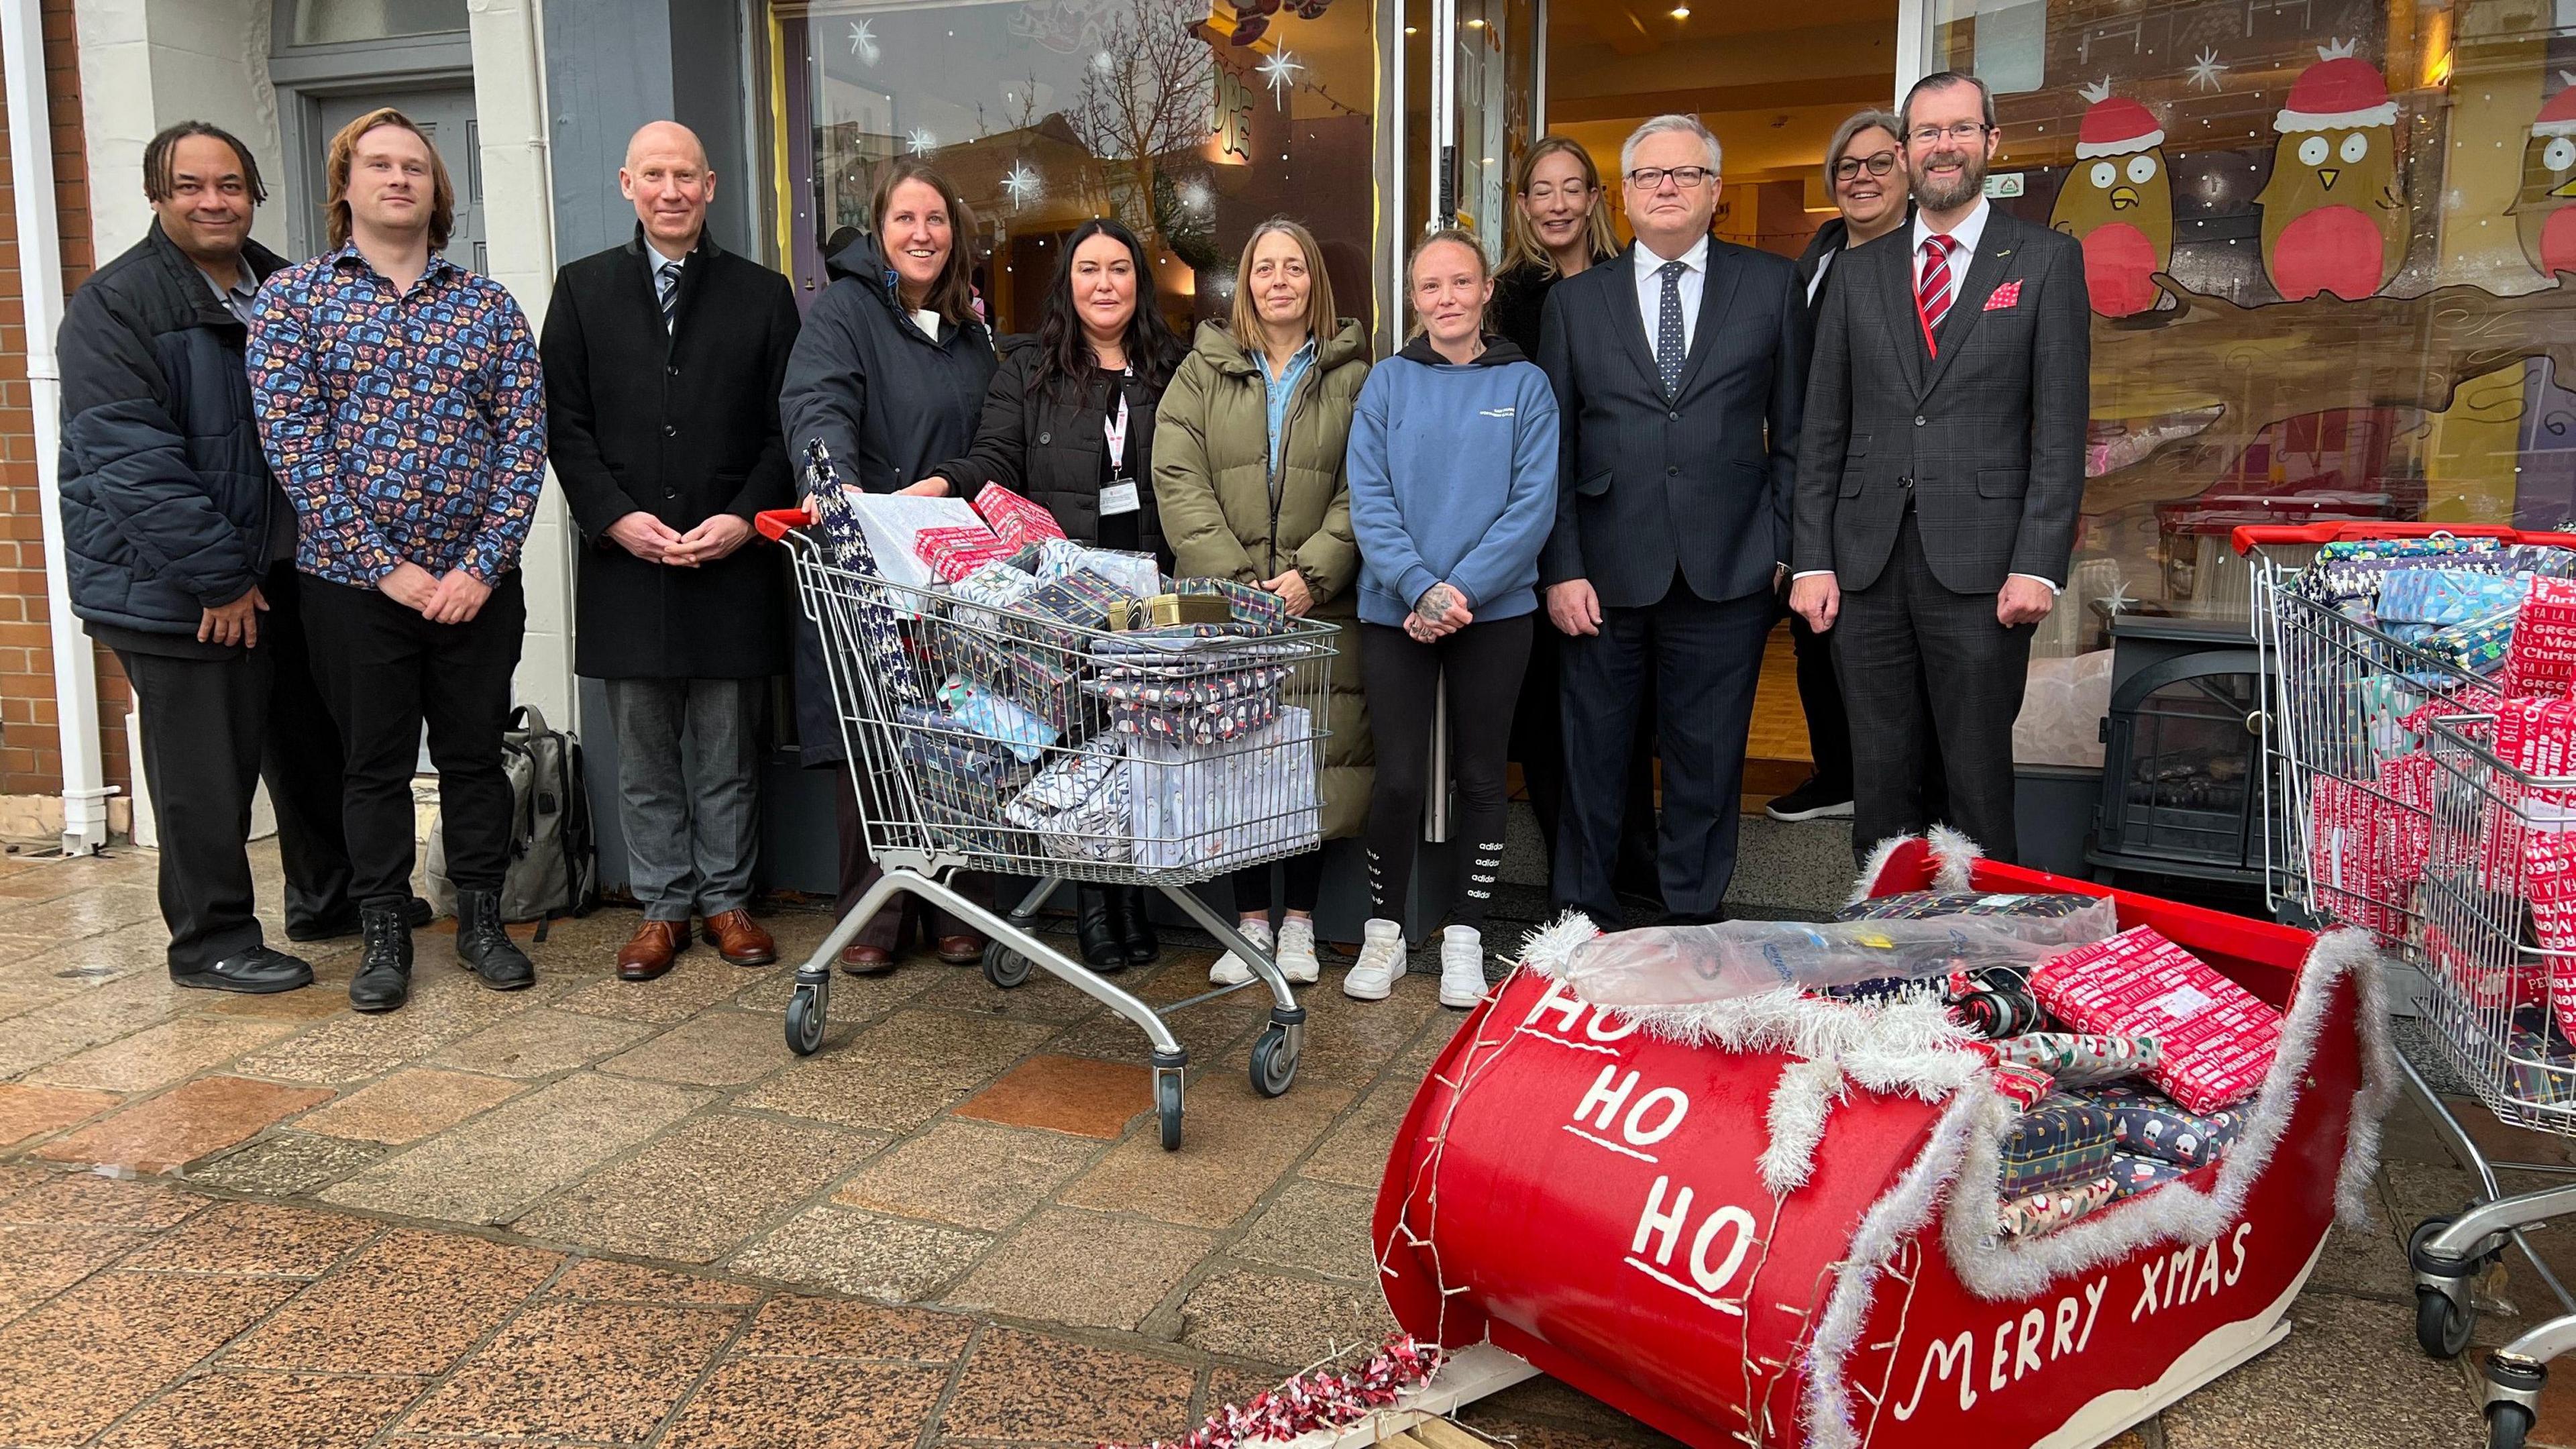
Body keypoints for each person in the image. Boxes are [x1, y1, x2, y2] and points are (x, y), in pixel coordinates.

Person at [56, 122, 380, 995]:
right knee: (206, 771)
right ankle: (212, 942)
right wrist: (220, 576)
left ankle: (330, 895)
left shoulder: (282, 285)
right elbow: (129, 459)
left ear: (255, 195)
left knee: (313, 743)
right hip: (180, 587)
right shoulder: (119, 305)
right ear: (158, 196)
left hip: (288, 572)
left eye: (230, 185)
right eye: (191, 185)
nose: (213, 201)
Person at [250, 108, 547, 1012]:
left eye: (415, 166)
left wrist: (479, 567)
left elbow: (523, 443)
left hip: (476, 589)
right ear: (346, 186)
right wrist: (386, 569)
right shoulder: (295, 301)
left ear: (436, 190)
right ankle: (383, 929)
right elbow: (295, 450)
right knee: (371, 764)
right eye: (379, 165)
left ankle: (483, 920)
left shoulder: (487, 306)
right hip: (351, 588)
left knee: (472, 759)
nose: (399, 179)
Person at [1790, 71, 2090, 863]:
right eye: (1927, 133)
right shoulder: (1858, 272)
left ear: (1992, 142)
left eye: (1960, 129)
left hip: (1987, 569)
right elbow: (1823, 428)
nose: (1943, 146)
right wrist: (1812, 558)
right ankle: (1883, 952)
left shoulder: (2046, 261)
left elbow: (2060, 433)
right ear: (1906, 150)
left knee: (1976, 781)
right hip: (1865, 562)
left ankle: (1980, 965)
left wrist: (2040, 566)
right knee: (1880, 776)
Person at [541, 121, 800, 983]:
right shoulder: (581, 292)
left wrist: (744, 517)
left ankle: (727, 901)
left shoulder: (763, 295)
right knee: (644, 754)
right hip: (628, 561)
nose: (671, 190)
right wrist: (613, 517)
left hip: (730, 556)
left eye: (686, 175)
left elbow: (783, 430)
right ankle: (661, 908)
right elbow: (564, 428)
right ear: (627, 183)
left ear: (711, 184)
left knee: (726, 751)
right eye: (654, 174)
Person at [1536, 114, 1806, 927]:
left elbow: (1796, 435)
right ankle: (1583, 922)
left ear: (1716, 192)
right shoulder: (1575, 304)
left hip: (1729, 569)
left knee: (1707, 761)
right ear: (1622, 196)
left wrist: (1786, 548)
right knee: (1595, 759)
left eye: (1685, 175)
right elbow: (1554, 448)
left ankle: (1692, 920)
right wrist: (1561, 566)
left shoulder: (1772, 285)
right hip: (1603, 574)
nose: (1666, 188)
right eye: (1651, 176)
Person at [913, 216, 1186, 972]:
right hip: (1063, 596)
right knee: (1078, 745)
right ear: (1067, 283)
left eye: (1121, 270)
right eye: (1089, 270)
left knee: (1140, 742)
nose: (1106, 284)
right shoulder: (1028, 367)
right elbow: (995, 457)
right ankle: (1098, 907)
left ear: (1141, 281)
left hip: (1155, 584)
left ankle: (1133, 897)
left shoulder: (1173, 367)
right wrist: (937, 485)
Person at [779, 159, 998, 975]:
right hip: (870, 560)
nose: (922, 234)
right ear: (880, 231)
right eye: (905, 219)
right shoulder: (844, 312)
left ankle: (957, 905)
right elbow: (816, 406)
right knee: (875, 736)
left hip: (960, 569)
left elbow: (992, 439)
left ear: (955, 234)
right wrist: (848, 504)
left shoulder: (971, 331)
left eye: (936, 220)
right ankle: (874, 913)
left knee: (965, 731)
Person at [1155, 218, 1371, 988]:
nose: (1279, 281)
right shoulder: (1201, 372)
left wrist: (1314, 574)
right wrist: (1235, 585)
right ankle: (1248, 927)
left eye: (1295, 269)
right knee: (1233, 755)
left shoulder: (1356, 375)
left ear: (1316, 281)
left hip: (1319, 604)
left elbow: (1368, 487)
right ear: (1244, 284)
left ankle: (1302, 927)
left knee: (1312, 756)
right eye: (1264, 269)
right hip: (1230, 605)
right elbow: (1178, 478)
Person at [1344, 229, 1556, 1007]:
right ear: (1413, 299)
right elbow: (1369, 500)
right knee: (1397, 777)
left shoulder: (1526, 386)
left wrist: (1458, 589)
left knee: (1480, 776)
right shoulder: (1388, 385)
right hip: (1393, 608)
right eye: (1431, 287)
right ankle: (1384, 931)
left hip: (1496, 611)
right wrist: (1416, 588)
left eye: (1461, 283)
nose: (1447, 299)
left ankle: (1466, 933)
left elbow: (1532, 507)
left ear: (1486, 290)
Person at [1489, 138, 1658, 903]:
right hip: (1535, 523)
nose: (1557, 204)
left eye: (1572, 189)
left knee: (1625, 711)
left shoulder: (1637, 285)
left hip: (1628, 526)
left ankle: (1636, 865)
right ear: (1523, 205)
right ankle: (1575, 873)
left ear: (1596, 198)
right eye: (1541, 191)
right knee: (1548, 715)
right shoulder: (1503, 299)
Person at [1768, 109, 1912, 827]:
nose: (1861, 178)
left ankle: (1892, 799)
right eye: (1847, 167)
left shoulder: (1929, 261)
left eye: (1878, 163)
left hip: (1899, 497)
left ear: (1909, 169)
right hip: (1818, 484)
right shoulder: (1818, 259)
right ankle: (1838, 776)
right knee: (1813, 636)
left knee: (1884, 657)